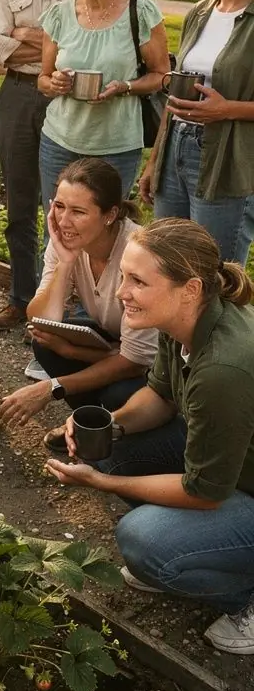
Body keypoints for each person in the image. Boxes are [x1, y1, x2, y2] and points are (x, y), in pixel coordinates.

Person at [46, 218, 254, 656]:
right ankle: (201, 548)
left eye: (138, 280)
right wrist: (109, 425)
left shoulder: (222, 369)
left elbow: (203, 492)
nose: (122, 292)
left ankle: (244, 597)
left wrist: (104, 484)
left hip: (233, 484)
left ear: (191, 289)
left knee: (143, 541)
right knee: (107, 446)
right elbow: (159, 396)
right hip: (231, 465)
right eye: (124, 275)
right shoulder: (180, 322)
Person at [0, 158, 157, 443]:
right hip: (122, 344)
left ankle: (115, 430)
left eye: (78, 212)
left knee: (118, 392)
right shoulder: (67, 241)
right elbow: (41, 320)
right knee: (45, 343)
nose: (63, 221)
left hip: (158, 367)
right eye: (59, 206)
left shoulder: (138, 253)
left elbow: (136, 361)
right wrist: (66, 262)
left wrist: (53, 386)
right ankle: (89, 425)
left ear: (110, 215)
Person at [140, 0, 254, 267]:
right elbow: (177, 94)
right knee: (165, 267)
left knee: (214, 273)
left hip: (228, 163)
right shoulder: (200, 13)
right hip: (175, 150)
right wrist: (154, 161)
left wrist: (227, 110)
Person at [0, 0, 77, 331]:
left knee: (65, 204)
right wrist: (50, 43)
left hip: (71, 97)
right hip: (19, 95)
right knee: (19, 200)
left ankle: (59, 309)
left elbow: (90, 44)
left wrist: (27, 36)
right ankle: (22, 299)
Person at [38, 0, 169, 211]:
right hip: (59, 141)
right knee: (58, 227)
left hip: (116, 146)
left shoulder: (141, 10)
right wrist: (54, 83)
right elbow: (43, 79)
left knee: (106, 230)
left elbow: (162, 76)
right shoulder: (58, 15)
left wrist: (125, 86)